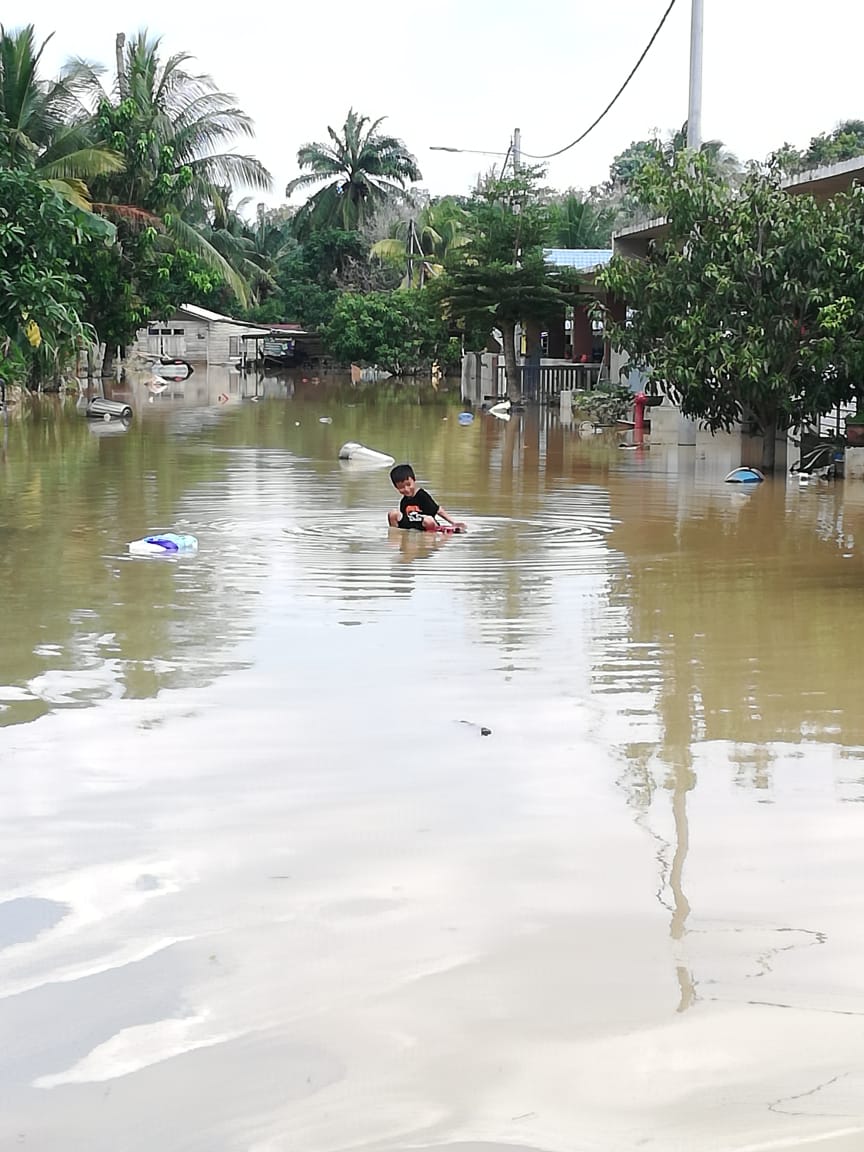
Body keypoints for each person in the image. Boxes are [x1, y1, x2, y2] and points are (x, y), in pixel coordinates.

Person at [387, 464, 467, 533]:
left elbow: (438, 510)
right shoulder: (404, 501)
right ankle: (396, 535)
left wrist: (453, 522)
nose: (406, 489)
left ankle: (429, 538)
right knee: (393, 513)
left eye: (408, 485)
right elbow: (403, 518)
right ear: (396, 487)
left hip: (425, 524)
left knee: (428, 520)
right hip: (412, 525)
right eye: (401, 487)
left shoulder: (422, 496)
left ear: (414, 480)